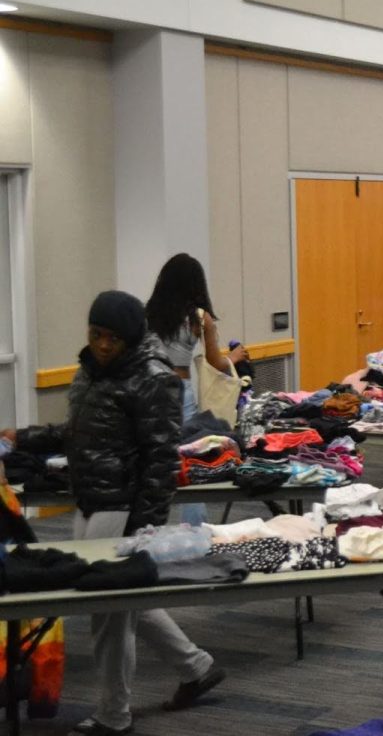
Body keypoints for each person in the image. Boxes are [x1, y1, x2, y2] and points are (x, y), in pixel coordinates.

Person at [4, 291, 225, 735]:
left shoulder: (154, 377)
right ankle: (197, 667)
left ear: (131, 337)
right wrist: (24, 438)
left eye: (113, 338)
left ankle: (113, 716)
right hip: (89, 499)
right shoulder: (89, 371)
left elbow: (161, 459)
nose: (104, 345)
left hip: (122, 507)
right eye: (96, 334)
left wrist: (145, 526)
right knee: (125, 602)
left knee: (105, 612)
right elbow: (76, 432)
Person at [145, 254, 246, 526]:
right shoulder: (199, 317)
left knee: (154, 454)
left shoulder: (149, 312)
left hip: (150, 388)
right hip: (180, 389)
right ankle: (194, 525)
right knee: (189, 453)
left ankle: (151, 523)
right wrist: (235, 357)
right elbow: (215, 361)